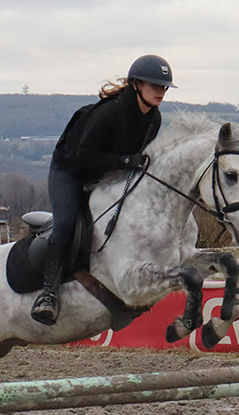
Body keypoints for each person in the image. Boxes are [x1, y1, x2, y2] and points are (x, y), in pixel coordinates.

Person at [31, 54, 175, 325]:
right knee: (66, 223)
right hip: (70, 172)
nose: (161, 92)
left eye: (164, 87)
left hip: (108, 176)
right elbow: (85, 158)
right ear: (136, 84)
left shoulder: (154, 119)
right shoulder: (109, 113)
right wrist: (125, 161)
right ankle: (48, 294)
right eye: (155, 86)